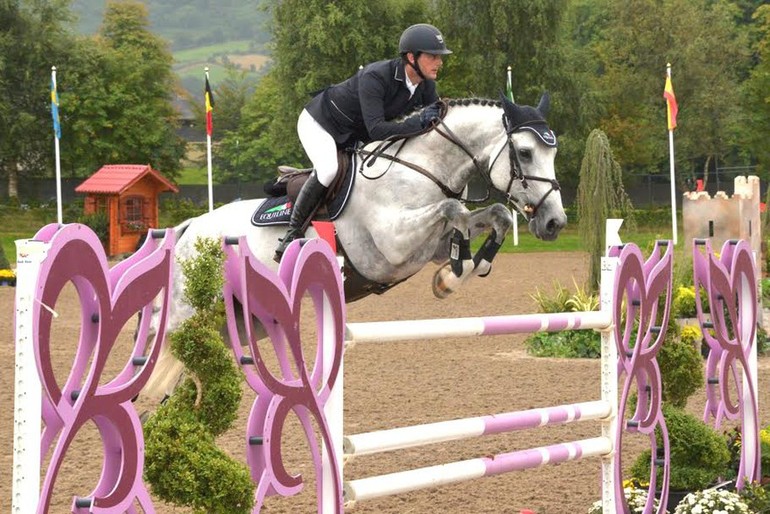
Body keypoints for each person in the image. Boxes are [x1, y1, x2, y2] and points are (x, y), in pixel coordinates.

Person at [273, 23, 452, 262]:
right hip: (321, 123)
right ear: (412, 57)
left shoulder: (426, 86)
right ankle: (291, 234)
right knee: (328, 170)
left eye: (439, 57)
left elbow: (431, 126)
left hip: (354, 134)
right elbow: (377, 129)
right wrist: (419, 123)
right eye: (433, 56)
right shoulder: (376, 77)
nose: (439, 62)